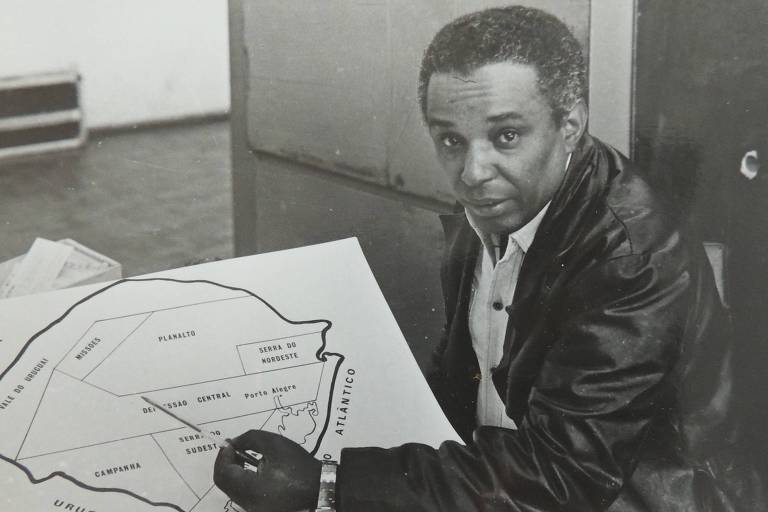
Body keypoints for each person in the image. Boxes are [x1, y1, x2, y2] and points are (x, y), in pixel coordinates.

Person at [214, 6, 763, 511]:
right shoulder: (490, 210)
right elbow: (465, 379)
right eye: (451, 141)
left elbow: (564, 474)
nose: (473, 173)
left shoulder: (628, 250)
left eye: (506, 135)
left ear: (570, 123)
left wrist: (329, 486)